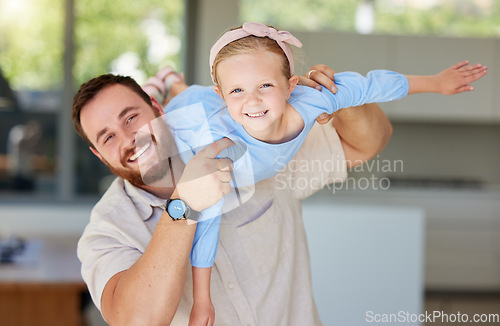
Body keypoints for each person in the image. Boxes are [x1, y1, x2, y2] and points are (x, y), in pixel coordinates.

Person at [145, 22, 487, 325]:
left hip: (214, 104)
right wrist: (203, 299)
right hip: (191, 118)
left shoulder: (312, 100)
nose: (252, 101)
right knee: (173, 107)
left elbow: (370, 85)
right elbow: (207, 219)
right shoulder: (223, 148)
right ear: (223, 95)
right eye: (237, 90)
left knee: (191, 92)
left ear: (292, 84)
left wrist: (437, 83)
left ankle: (173, 80)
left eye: (265, 85)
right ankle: (168, 86)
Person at [74, 59, 402, 325]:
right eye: (107, 137)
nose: (128, 139)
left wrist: (337, 96)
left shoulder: (253, 145)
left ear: (159, 110)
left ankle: (170, 77)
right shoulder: (107, 231)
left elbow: (370, 141)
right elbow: (138, 321)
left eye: (131, 118)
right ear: (99, 155)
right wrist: (184, 205)